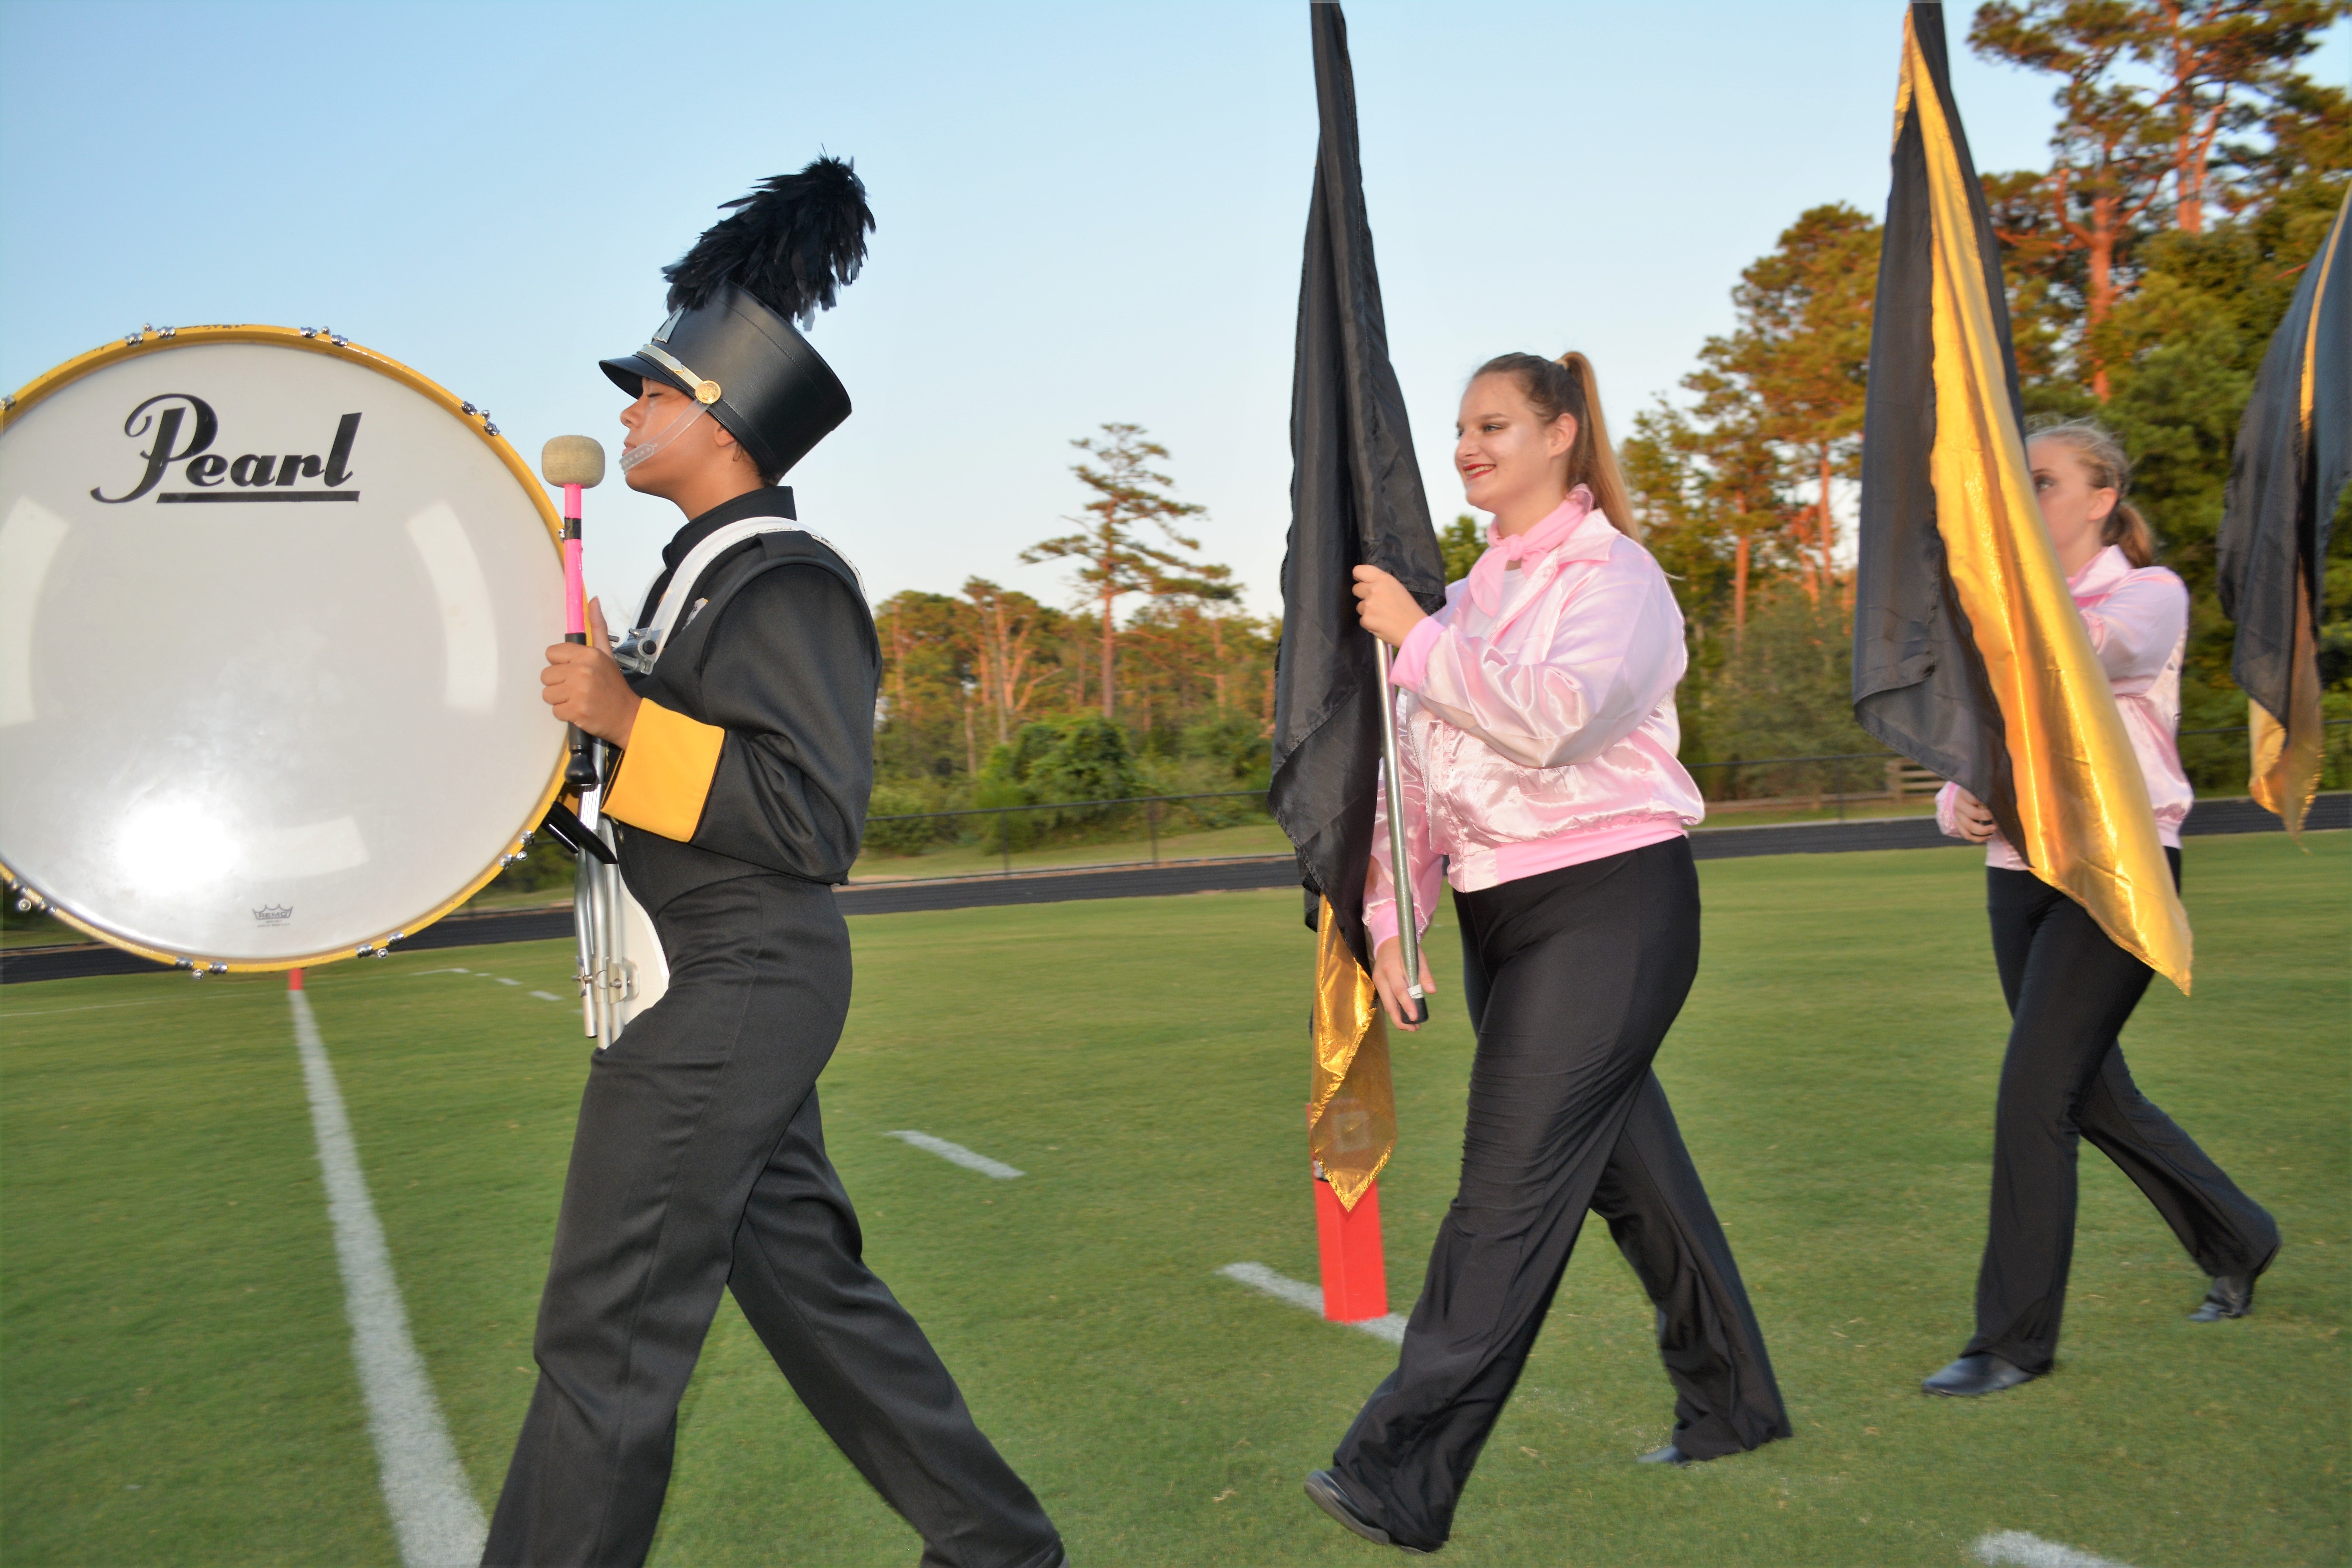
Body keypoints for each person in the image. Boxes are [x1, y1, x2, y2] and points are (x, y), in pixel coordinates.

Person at [486, 159, 1067, 1568]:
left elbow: (812, 823)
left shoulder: (785, 581)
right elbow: (679, 794)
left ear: (726, 423)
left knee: (608, 1320)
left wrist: (628, 718)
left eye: (656, 392)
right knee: (807, 1289)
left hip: (742, 967)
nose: (630, 411)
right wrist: (595, 745)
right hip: (715, 968)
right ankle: (998, 1548)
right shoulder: (695, 586)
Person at [1302, 352, 1790, 1556]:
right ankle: (1734, 1400)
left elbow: (1558, 717)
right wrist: (1390, 934)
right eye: (1463, 428)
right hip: (1498, 920)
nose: (1470, 447)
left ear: (1562, 434)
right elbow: (1419, 788)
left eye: (1497, 425)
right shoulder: (1465, 601)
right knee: (1637, 1181)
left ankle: (1398, 1474)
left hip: (1611, 905)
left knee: (1508, 1195)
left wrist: (1416, 639)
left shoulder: (1616, 577)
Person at [1921, 418, 2281, 1399]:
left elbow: (2075, 664)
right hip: (2019, 867)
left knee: (2035, 1091)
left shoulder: (2147, 594)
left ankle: (2013, 1339)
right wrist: (1964, 799)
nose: (2022, 496)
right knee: (2095, 1092)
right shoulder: (1998, 609)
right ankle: (2239, 1234)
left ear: (2101, 498)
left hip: (2119, 869)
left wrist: (1991, 614)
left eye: (2040, 480)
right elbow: (1975, 738)